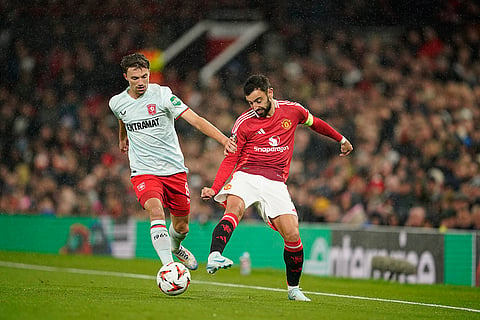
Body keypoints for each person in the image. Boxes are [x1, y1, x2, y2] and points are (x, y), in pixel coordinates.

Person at [201, 74, 353, 301]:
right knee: (234, 208)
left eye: (259, 101)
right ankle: (214, 255)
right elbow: (231, 158)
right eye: (251, 103)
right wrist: (215, 187)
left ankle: (293, 289)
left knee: (292, 233)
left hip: (275, 182)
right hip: (247, 174)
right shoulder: (244, 122)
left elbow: (316, 123)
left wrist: (340, 139)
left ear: (270, 92)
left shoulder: (293, 111)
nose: (255, 107)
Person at [109, 53, 236, 270]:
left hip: (174, 170)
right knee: (156, 211)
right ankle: (169, 267)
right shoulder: (117, 102)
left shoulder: (163, 95)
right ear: (125, 77)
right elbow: (123, 118)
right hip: (143, 171)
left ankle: (176, 246)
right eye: (135, 78)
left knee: (182, 227)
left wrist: (224, 139)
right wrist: (123, 137)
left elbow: (195, 120)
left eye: (145, 77)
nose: (141, 82)